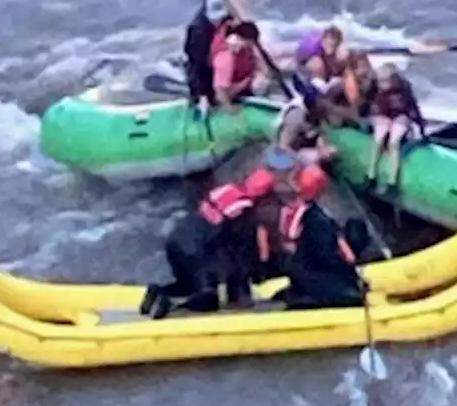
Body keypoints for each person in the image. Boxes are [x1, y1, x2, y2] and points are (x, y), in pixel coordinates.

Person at [140, 168, 277, 319]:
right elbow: (238, 253)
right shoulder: (243, 210)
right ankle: (172, 303)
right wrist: (242, 293)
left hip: (177, 237)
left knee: (188, 284)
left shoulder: (227, 190)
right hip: (195, 248)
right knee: (207, 299)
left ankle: (158, 291)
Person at [273, 165, 365, 310]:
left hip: (300, 269)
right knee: (355, 298)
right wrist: (347, 270)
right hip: (314, 273)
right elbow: (326, 255)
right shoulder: (317, 220)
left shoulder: (295, 212)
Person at [365, 64, 427, 191]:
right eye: (380, 82)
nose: (382, 85)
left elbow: (413, 107)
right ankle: (371, 175)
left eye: (385, 81)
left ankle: (392, 181)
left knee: (394, 143)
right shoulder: (375, 88)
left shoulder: (404, 88)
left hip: (400, 116)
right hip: (383, 116)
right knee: (378, 139)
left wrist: (421, 127)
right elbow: (367, 104)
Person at [182, 0, 233, 110]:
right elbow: (196, 65)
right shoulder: (197, 31)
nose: (217, 22)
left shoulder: (227, 20)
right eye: (215, 19)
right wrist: (202, 95)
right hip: (202, 66)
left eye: (220, 18)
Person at [274, 84, 339, 168]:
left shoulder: (318, 116)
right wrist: (297, 163)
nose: (324, 107)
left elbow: (318, 135)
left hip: (307, 147)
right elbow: (283, 146)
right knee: (315, 158)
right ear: (312, 108)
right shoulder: (296, 118)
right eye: (320, 104)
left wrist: (322, 148)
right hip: (294, 152)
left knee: (332, 152)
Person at [211, 20, 270, 109]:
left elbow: (259, 62)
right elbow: (220, 90)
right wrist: (229, 108)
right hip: (229, 92)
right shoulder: (225, 57)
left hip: (244, 81)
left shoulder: (245, 49)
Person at [293, 26, 348, 93]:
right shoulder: (312, 48)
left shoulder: (338, 50)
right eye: (329, 44)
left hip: (319, 60)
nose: (332, 45)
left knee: (339, 60)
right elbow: (300, 60)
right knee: (318, 63)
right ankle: (320, 85)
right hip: (304, 67)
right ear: (323, 40)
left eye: (335, 45)